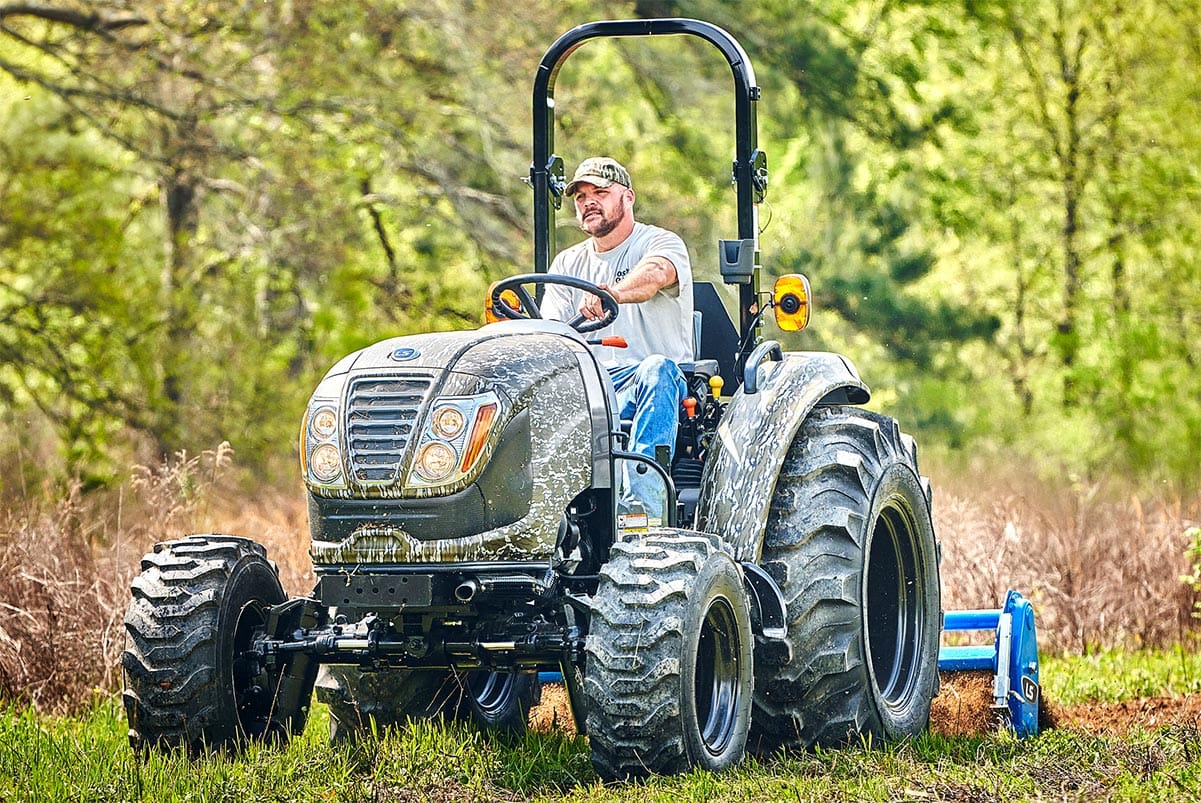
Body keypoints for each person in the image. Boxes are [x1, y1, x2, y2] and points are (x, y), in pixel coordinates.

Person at [540, 157, 693, 523]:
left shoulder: (658, 242)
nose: (588, 201)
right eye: (580, 196)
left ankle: (641, 510)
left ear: (627, 197)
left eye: (600, 193)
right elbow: (551, 331)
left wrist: (614, 293)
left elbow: (657, 273)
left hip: (644, 380)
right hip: (589, 383)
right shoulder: (566, 264)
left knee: (659, 369)